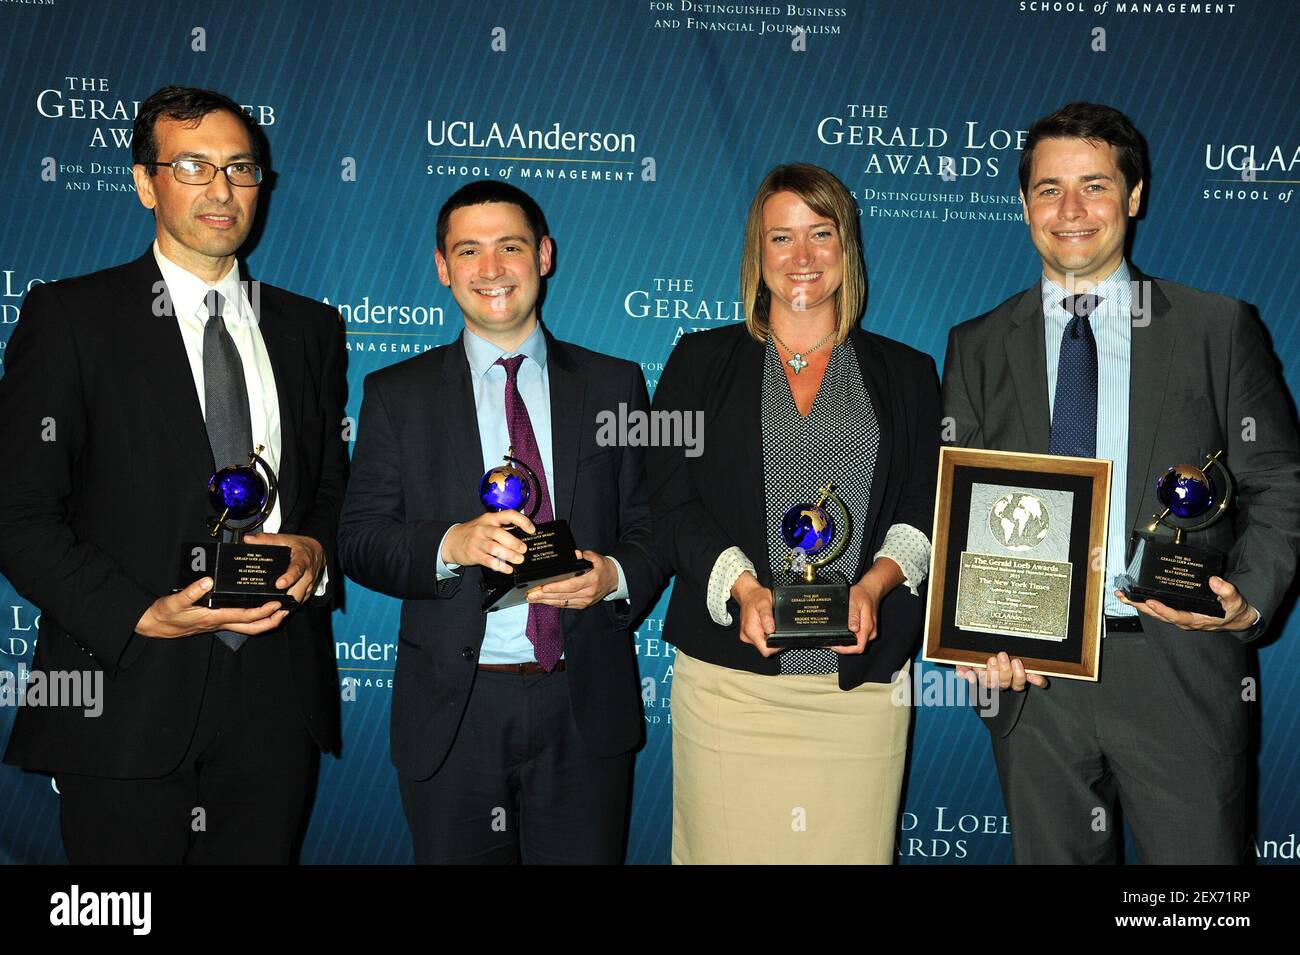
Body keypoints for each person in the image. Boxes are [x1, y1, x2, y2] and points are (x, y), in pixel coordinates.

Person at [943, 101, 1300, 864]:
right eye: (1048, 189)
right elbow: (961, 504)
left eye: (1094, 185)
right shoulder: (973, 344)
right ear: (1022, 203)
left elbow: (1277, 479)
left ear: (1134, 196)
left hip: (1178, 667)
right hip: (1033, 683)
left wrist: (1248, 599)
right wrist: (975, 635)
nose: (1070, 210)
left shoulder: (1217, 326)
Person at [0, 86, 348, 863]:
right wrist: (139, 614)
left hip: (274, 697)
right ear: (143, 181)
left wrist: (316, 552)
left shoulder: (309, 328)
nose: (222, 189)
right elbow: (16, 513)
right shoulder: (71, 318)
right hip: (125, 692)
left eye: (240, 167)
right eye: (193, 165)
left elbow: (331, 488)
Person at [338, 180, 660, 864]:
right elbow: (359, 540)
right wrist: (448, 544)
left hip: (583, 697)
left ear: (543, 255)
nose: (491, 269)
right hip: (457, 708)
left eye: (510, 247)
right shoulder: (395, 395)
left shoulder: (615, 384)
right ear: (442, 267)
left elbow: (653, 525)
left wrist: (613, 574)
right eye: (469, 250)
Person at [647, 163, 940, 864]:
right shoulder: (699, 359)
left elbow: (924, 505)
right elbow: (665, 496)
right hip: (730, 686)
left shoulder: (909, 371)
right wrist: (743, 588)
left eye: (821, 234)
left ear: (848, 248)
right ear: (759, 253)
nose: (802, 257)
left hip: (860, 693)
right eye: (782, 238)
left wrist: (873, 586)